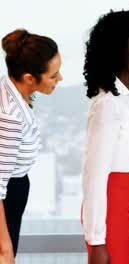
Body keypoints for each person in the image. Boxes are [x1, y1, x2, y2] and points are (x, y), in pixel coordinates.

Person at [81, 8, 129, 264]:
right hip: (110, 214)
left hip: (121, 210)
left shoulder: (124, 97)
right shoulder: (108, 104)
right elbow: (95, 175)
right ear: (119, 51)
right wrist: (97, 240)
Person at [0, 29, 62, 262]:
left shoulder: (10, 87)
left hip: (13, 195)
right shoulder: (10, 115)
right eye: (53, 75)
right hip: (5, 203)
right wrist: (5, 249)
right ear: (29, 78)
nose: (60, 79)